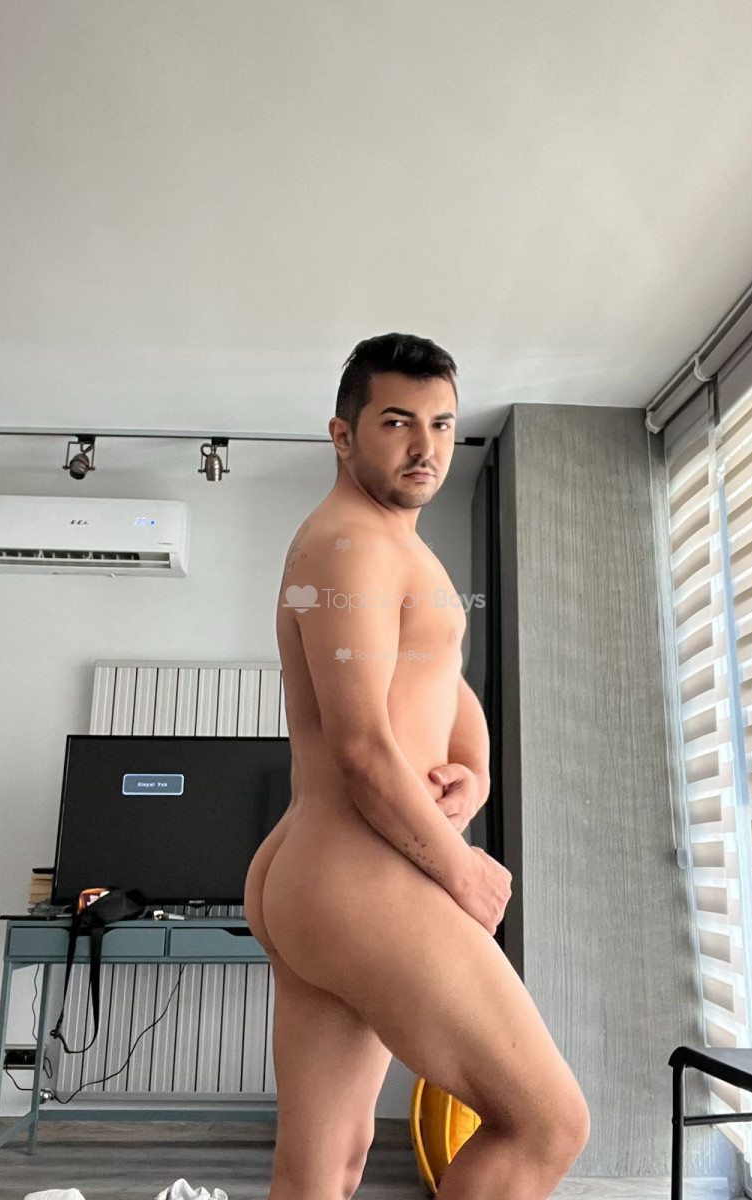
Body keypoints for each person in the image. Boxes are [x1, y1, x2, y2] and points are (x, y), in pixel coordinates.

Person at [243, 333, 589, 1200]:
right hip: (363, 872)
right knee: (547, 1124)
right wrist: (459, 870)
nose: (426, 445)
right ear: (343, 434)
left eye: (441, 424)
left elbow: (440, 678)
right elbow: (361, 747)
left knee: (323, 1166)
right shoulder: (351, 546)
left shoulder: (391, 546)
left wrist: (473, 770)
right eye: (398, 422)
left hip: (324, 870)